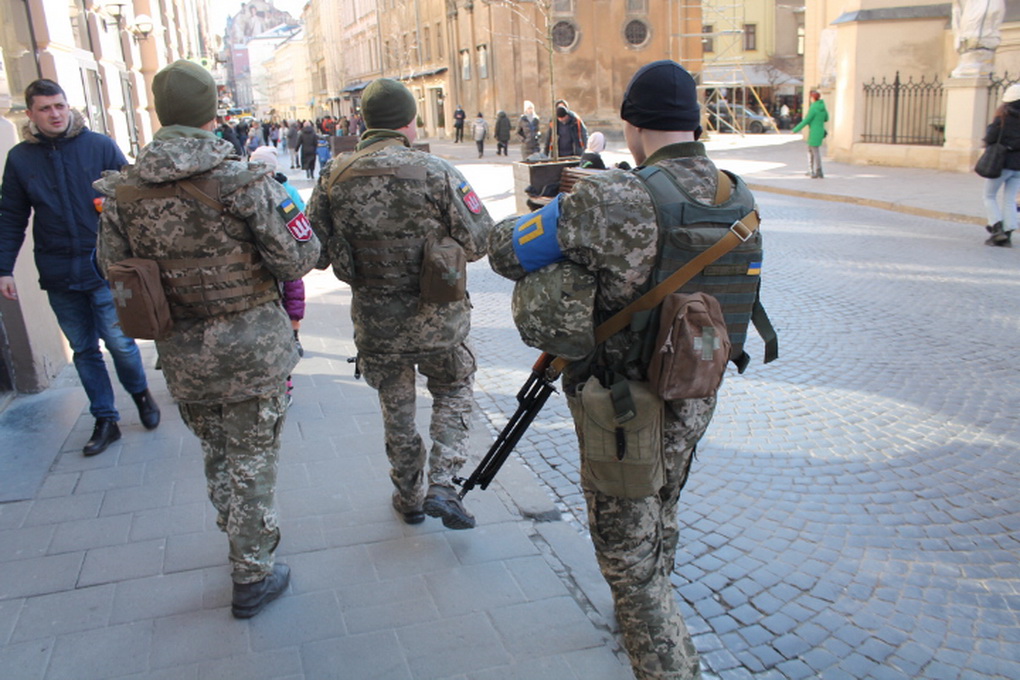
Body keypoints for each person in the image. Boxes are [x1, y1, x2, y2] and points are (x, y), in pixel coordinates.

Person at [488, 59, 741, 679]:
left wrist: (552, 211)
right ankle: (650, 599)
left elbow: (504, 250)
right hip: (695, 387)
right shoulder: (736, 192)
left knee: (624, 554)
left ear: (632, 125)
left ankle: (661, 652)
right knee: (663, 504)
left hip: (622, 406)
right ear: (694, 123)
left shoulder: (612, 196)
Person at [94, 60, 320, 618]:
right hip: (254, 350)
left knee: (217, 452)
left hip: (183, 353)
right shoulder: (245, 181)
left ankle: (239, 531)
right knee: (253, 456)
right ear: (211, 113)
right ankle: (252, 573)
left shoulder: (123, 192)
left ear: (158, 113)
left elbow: (109, 269)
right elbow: (301, 256)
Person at [306, 78, 493, 530]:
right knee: (452, 390)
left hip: (377, 327)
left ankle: (408, 494)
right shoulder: (436, 170)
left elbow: (315, 252)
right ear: (409, 123)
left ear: (365, 122)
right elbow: (481, 238)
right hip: (439, 322)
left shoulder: (334, 175)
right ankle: (444, 484)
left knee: (397, 408)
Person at [0, 78, 161, 457]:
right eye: (45, 108)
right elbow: (10, 216)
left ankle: (140, 394)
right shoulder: (21, 158)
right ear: (31, 114)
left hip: (104, 267)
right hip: (58, 271)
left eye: (59, 105)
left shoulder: (98, 146)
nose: (55, 114)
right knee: (84, 349)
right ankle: (105, 418)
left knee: (120, 343)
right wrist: (4, 267)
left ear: (68, 106)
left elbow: (131, 201)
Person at [981, 83, 1020, 246]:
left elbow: (990, 138)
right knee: (1010, 199)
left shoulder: (1003, 118)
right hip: (1018, 166)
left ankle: (996, 228)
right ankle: (1008, 233)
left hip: (1001, 163)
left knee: (989, 195)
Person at [791, 90, 828, 179]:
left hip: (814, 132)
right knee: (812, 150)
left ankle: (818, 171)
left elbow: (806, 120)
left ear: (812, 98)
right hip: (820, 130)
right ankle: (811, 170)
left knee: (814, 151)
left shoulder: (813, 108)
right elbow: (827, 118)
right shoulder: (823, 107)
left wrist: (795, 130)